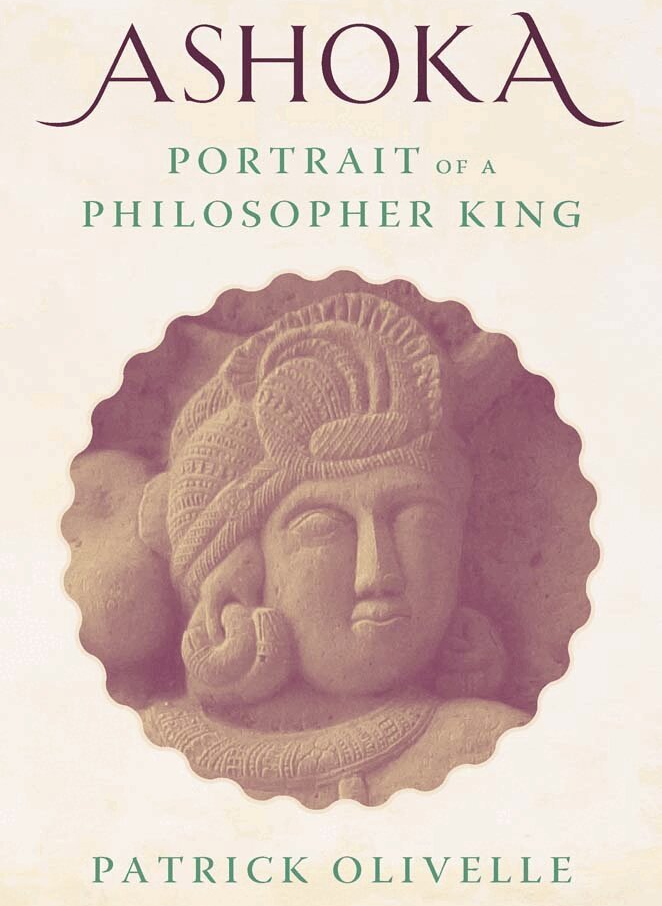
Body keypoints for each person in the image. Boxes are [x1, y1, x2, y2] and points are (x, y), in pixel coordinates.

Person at [138, 291, 529, 806]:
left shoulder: (487, 751)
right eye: (322, 526)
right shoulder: (130, 762)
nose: (378, 573)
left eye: (415, 519)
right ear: (237, 575)